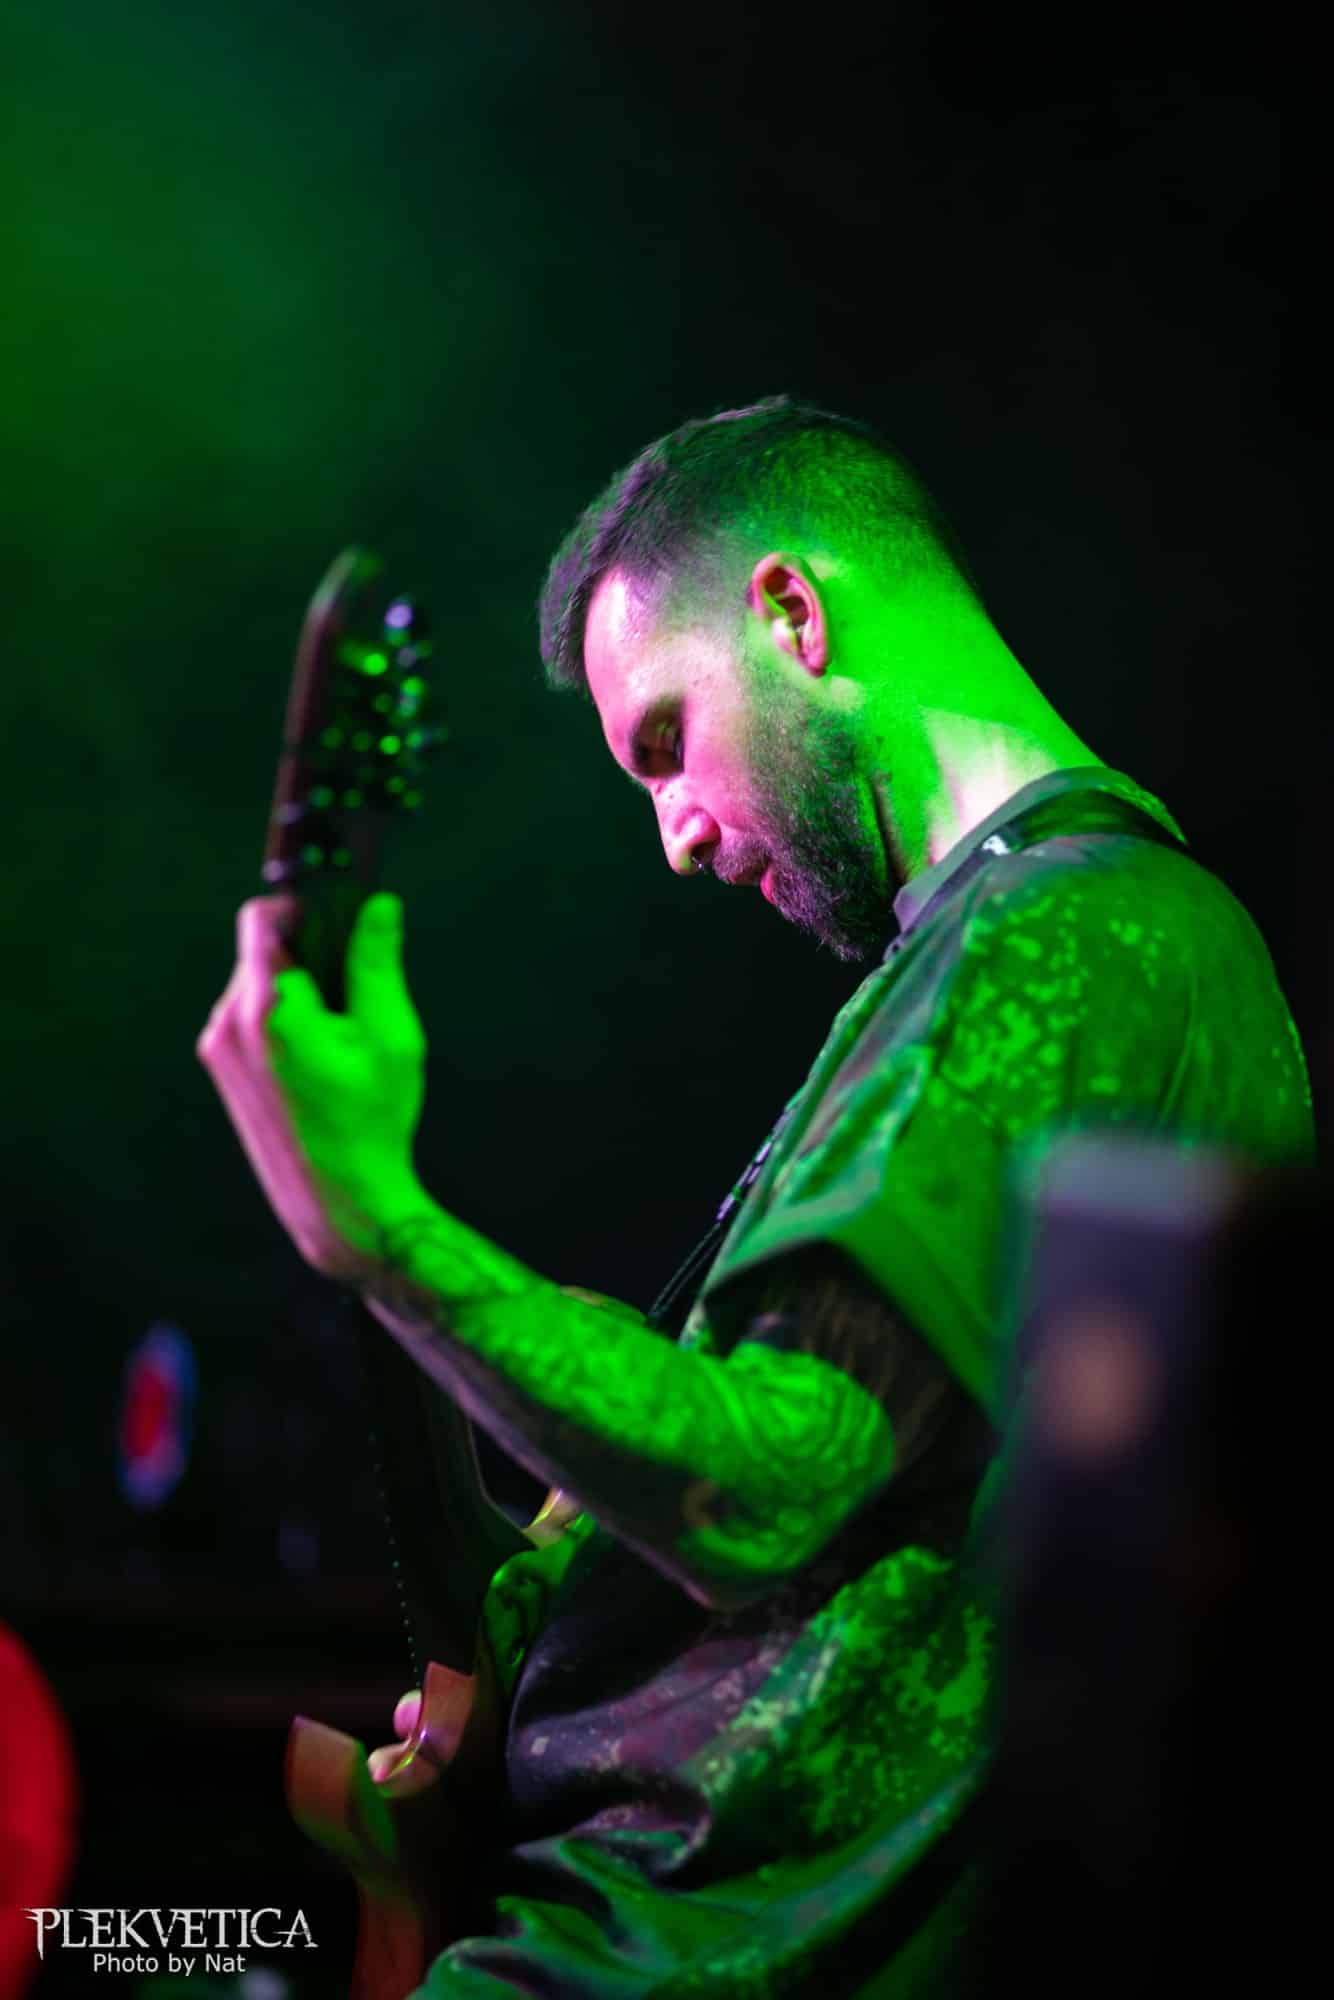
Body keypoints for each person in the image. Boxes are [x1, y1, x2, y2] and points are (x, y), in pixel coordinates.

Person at [197, 397, 1314, 1996]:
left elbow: (770, 1480)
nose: (673, 835)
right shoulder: (1026, 947)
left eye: (663, 740)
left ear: (792, 611)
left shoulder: (1067, 937)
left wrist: (375, 1223)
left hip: (701, 1956)